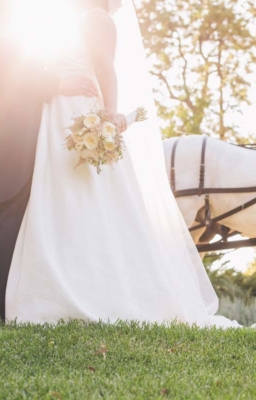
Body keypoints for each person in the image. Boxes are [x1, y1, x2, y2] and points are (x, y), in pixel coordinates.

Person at [4, 0, 236, 326]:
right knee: (59, 198)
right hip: (56, 116)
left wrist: (108, 117)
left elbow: (105, 68)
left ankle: (95, 290)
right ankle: (58, 282)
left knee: (88, 197)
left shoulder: (97, 19)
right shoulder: (68, 21)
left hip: (79, 112)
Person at [0, 0, 99, 321]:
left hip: (29, 134)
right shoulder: (11, 21)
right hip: (13, 136)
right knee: (9, 213)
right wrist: (58, 84)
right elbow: (11, 68)